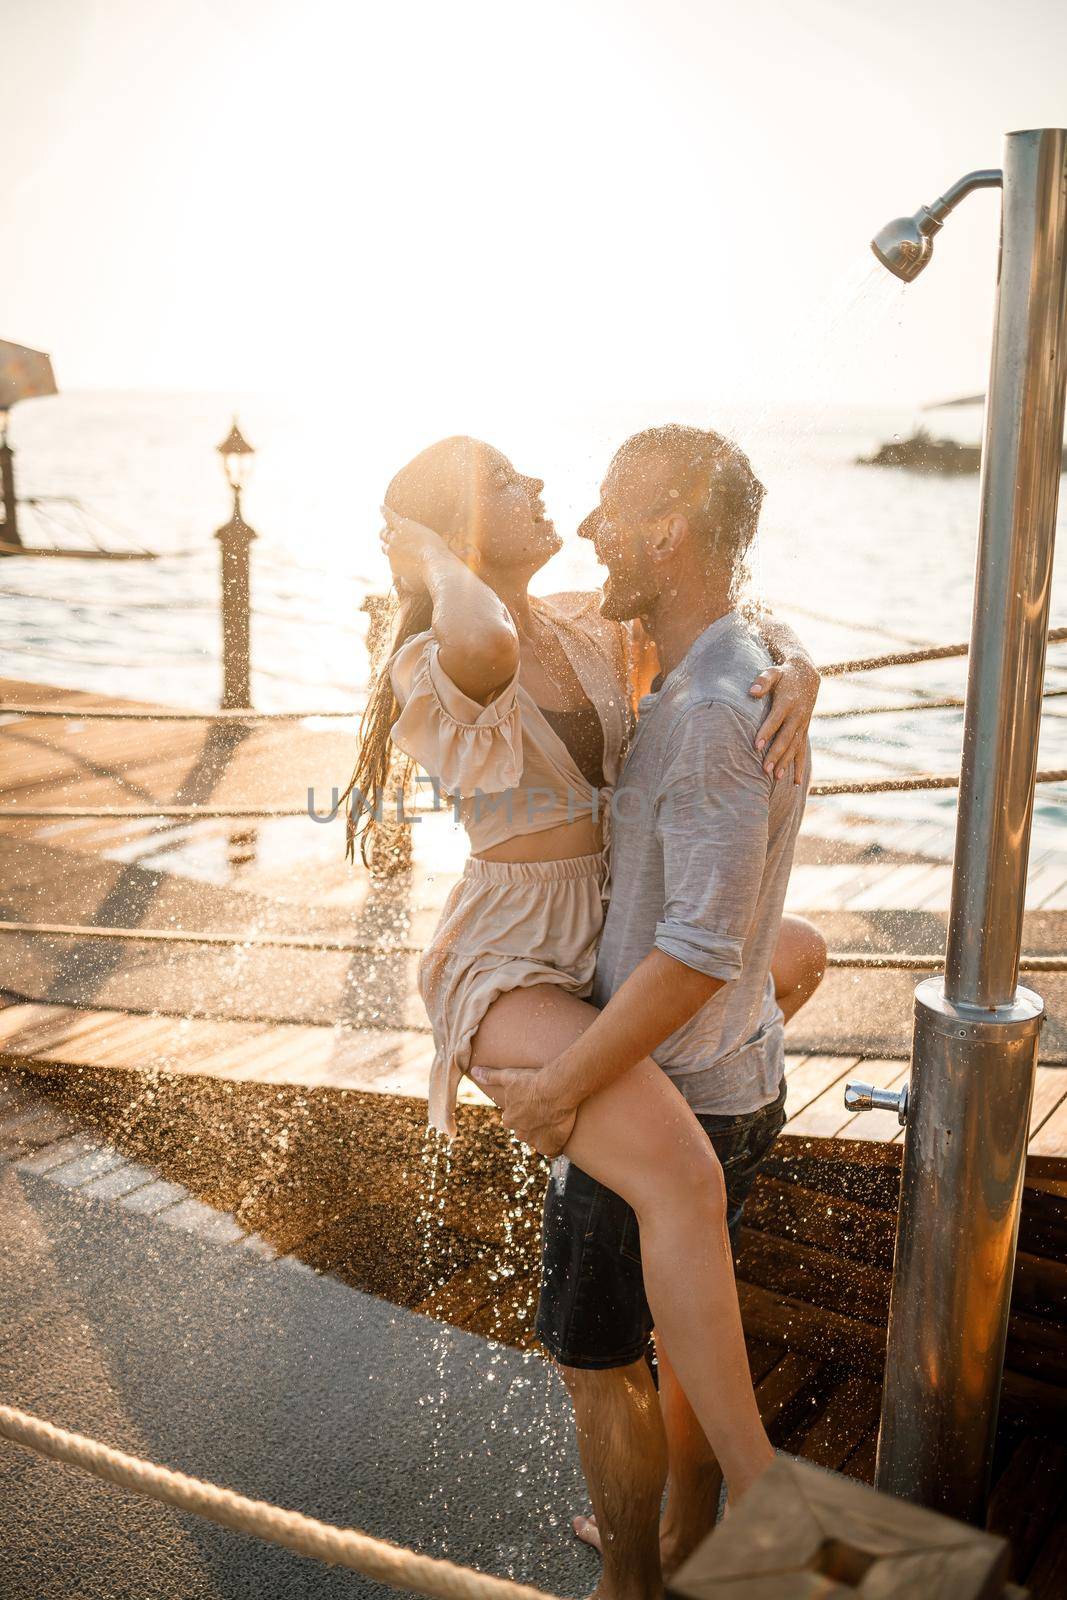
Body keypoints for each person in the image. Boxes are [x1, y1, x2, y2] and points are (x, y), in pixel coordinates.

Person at [341, 431, 822, 1600]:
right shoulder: (440, 651)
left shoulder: (572, 621)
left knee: (794, 955)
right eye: (505, 484)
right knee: (682, 1182)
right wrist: (422, 555)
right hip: (511, 967)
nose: (541, 489)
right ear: (456, 537)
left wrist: (797, 666)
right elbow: (481, 635)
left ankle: (679, 1523)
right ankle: (759, 1495)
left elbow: (725, 618)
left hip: (598, 945)